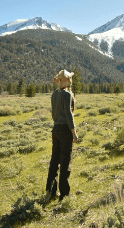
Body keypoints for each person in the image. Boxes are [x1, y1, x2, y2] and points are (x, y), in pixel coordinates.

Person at [46, 69, 80, 202]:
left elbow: (54, 114)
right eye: (69, 78)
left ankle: (51, 190)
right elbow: (69, 116)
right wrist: (74, 133)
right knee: (65, 162)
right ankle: (64, 194)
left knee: (55, 161)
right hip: (65, 130)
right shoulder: (67, 95)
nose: (71, 80)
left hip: (56, 129)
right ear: (65, 81)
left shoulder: (54, 94)